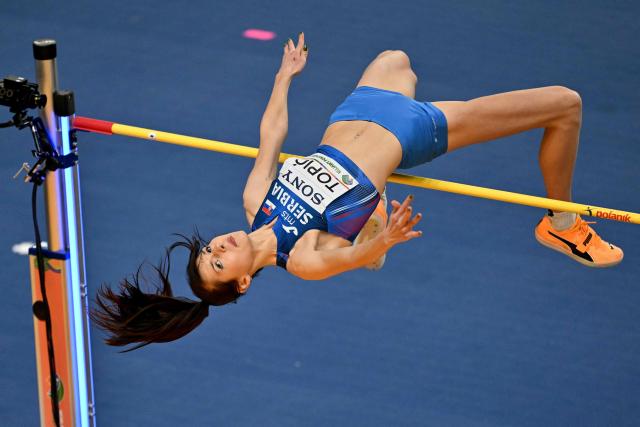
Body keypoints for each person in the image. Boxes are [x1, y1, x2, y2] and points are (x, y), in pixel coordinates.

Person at [92, 32, 623, 351]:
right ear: (245, 282)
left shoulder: (257, 202)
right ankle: (561, 224)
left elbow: (270, 136)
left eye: (208, 251)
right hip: (414, 130)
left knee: (395, 58)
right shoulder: (302, 258)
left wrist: (284, 78)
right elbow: (351, 259)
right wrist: (383, 241)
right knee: (565, 103)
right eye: (219, 265)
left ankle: (371, 202)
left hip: (355, 112)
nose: (219, 248)